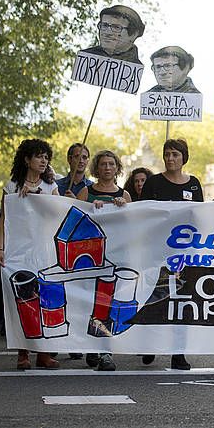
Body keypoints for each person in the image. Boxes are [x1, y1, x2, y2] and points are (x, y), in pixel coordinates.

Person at [0, 138, 60, 370]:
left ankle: (43, 353)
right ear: (26, 159)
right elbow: (4, 219)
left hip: (44, 250)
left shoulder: (49, 186)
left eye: (46, 157)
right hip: (18, 251)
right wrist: (0, 249)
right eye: (39, 156)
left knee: (44, 299)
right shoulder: (11, 185)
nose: (44, 161)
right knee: (23, 298)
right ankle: (23, 352)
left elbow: (56, 210)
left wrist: (35, 193)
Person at [140, 139, 202, 370]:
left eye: (175, 154)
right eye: (167, 154)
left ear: (183, 157)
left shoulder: (194, 184)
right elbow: (143, 212)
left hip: (185, 252)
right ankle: (149, 345)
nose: (170, 158)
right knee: (155, 297)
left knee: (183, 299)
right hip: (157, 251)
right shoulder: (154, 182)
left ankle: (179, 352)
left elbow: (199, 214)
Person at [76, 150, 130, 371]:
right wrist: (90, 207)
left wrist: (123, 208)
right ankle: (91, 345)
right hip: (90, 256)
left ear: (117, 168)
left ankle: (105, 350)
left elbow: (132, 225)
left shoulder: (125, 195)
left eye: (111, 164)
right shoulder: (86, 192)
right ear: (96, 168)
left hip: (115, 255)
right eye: (103, 164)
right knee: (88, 300)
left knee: (106, 302)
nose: (107, 168)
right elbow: (76, 218)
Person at [80, 5, 145, 64]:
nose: (107, 32)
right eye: (104, 25)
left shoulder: (139, 68)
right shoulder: (85, 57)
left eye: (116, 27)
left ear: (134, 34)